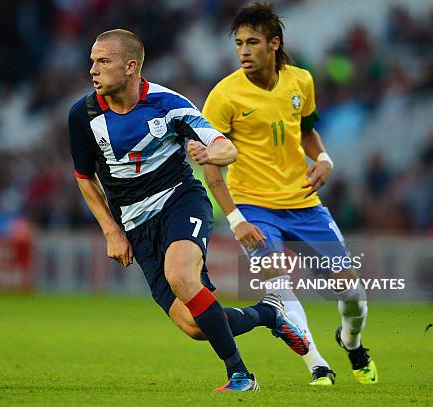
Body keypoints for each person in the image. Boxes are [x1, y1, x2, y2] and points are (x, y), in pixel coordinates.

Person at [68, 29, 308, 392]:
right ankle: (268, 313)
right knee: (196, 326)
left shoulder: (170, 104)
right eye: (92, 62)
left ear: (131, 66)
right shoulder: (81, 115)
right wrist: (112, 231)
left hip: (179, 200)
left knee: (181, 274)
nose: (93, 70)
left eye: (103, 61)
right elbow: (85, 178)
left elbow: (226, 148)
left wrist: (210, 154)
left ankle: (241, 376)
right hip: (134, 223)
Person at [202, 3, 378, 385]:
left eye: (252, 42)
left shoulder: (300, 82)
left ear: (274, 44)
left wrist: (325, 158)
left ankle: (351, 341)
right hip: (253, 206)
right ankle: (318, 366)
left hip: (304, 204)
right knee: (278, 287)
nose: (244, 51)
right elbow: (209, 164)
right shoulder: (224, 95)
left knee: (351, 292)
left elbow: (307, 131)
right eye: (238, 43)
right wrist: (236, 218)